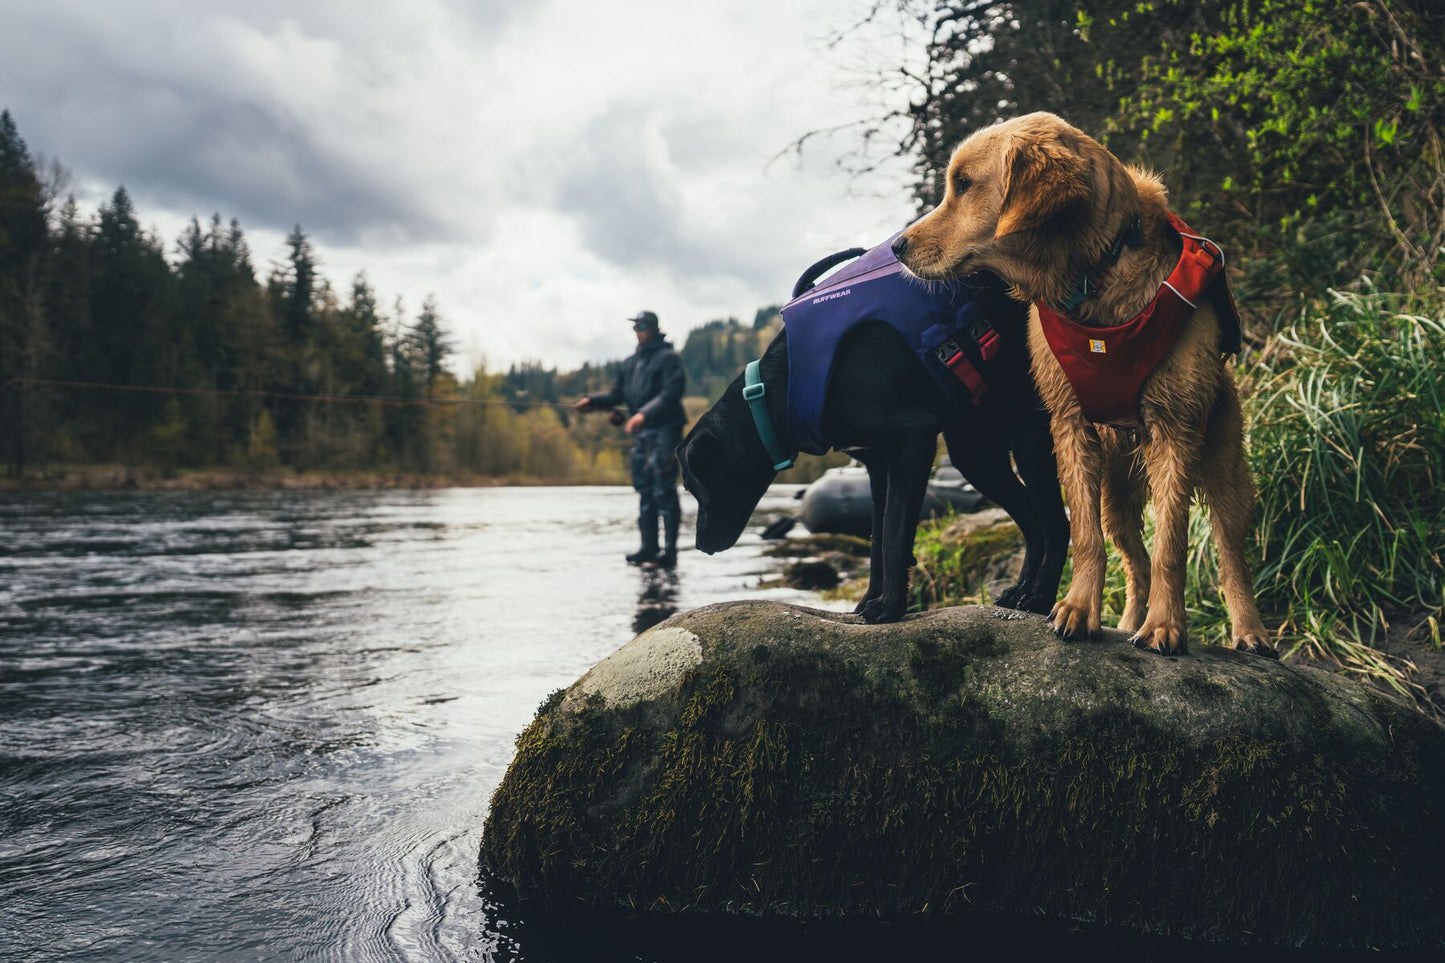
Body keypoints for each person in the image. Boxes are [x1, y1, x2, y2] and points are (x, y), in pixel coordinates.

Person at [573, 310, 687, 566]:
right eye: (635, 327)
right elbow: (616, 395)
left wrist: (643, 414)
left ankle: (669, 553)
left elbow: (672, 393)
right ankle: (648, 548)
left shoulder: (668, 358)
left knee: (663, 490)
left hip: (665, 430)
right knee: (645, 491)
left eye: (642, 326)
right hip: (641, 435)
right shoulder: (629, 364)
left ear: (654, 329)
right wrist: (592, 401)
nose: (638, 331)